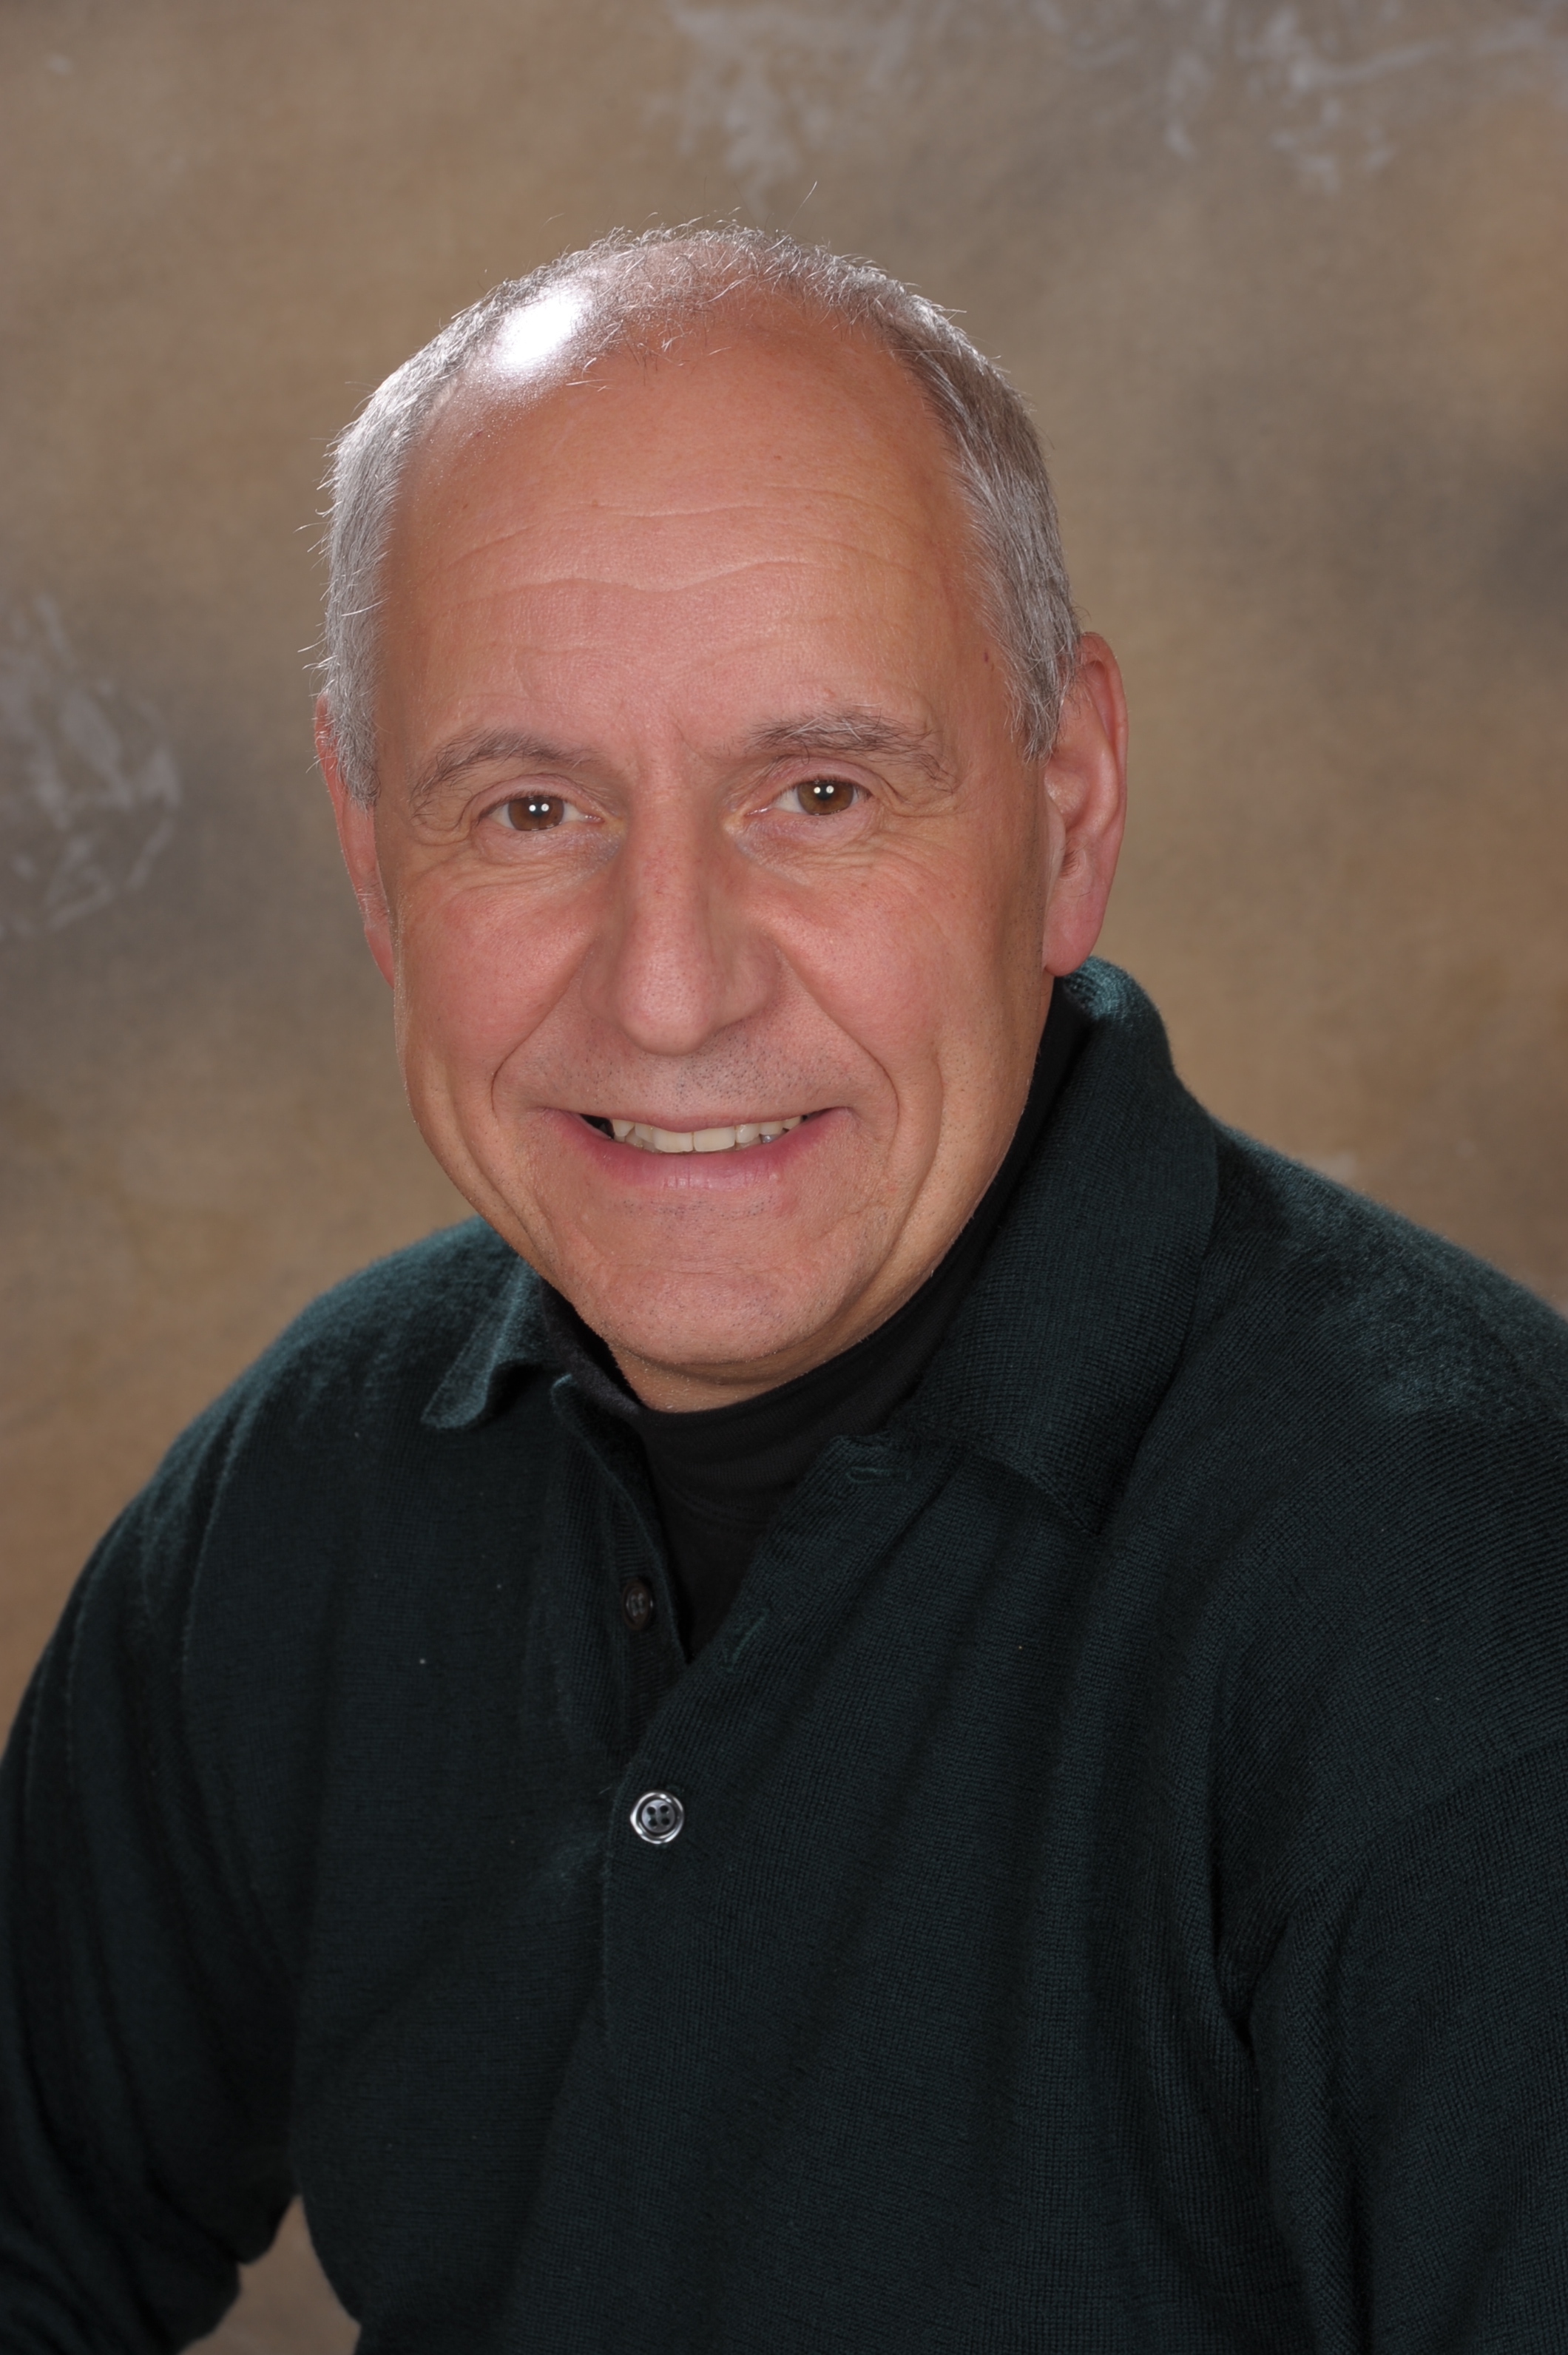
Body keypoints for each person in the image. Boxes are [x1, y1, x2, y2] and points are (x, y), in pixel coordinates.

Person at [2, 227, 1566, 2354]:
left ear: (1070, 810)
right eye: (530, 809)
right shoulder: (315, 1490)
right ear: (373, 860)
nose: (671, 988)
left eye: (820, 795)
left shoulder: (1466, 1608)